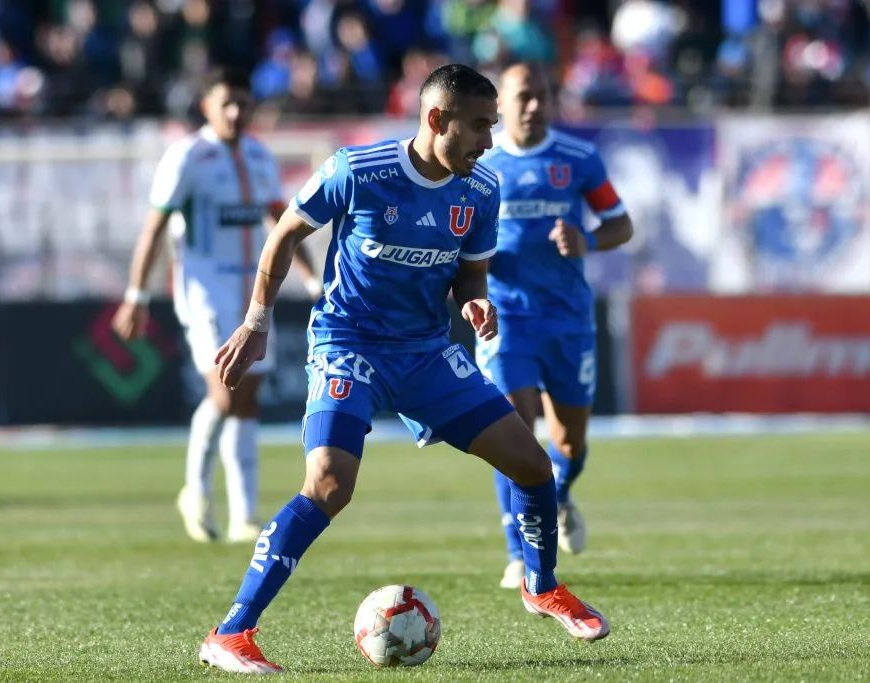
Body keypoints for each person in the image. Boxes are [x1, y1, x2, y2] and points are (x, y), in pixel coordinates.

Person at [197, 63, 610, 674]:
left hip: (424, 352)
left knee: (532, 464)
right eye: (476, 127)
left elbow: (472, 269)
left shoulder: (481, 190)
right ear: (435, 119)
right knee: (330, 485)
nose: (488, 142)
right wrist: (256, 321)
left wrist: (474, 299)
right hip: (349, 344)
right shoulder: (358, 170)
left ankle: (541, 584)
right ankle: (231, 633)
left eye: (491, 127)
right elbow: (284, 233)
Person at [112, 67, 322, 545]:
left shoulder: (259, 155)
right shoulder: (187, 156)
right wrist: (136, 295)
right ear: (206, 106)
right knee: (226, 393)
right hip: (204, 290)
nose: (234, 112)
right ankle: (195, 491)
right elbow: (155, 228)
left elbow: (283, 225)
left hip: (253, 294)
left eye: (242, 103)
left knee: (248, 400)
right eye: (225, 102)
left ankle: (244, 515)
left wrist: (312, 281)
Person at [478, 63, 634, 589]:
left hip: (567, 319)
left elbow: (621, 223)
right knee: (514, 434)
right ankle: (519, 553)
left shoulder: (578, 159)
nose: (533, 106)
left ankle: (559, 493)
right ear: (501, 103)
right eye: (523, 96)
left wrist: (588, 240)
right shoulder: (482, 164)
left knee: (569, 441)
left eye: (541, 96)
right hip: (506, 317)